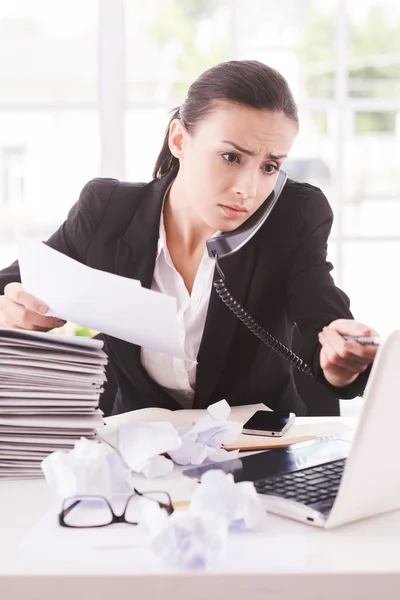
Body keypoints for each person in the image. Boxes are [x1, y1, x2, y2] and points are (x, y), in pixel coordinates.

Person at [0, 60, 379, 416]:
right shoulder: (107, 209)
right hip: (139, 450)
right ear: (180, 140)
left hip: (257, 448)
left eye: (269, 167)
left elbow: (323, 323)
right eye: (231, 157)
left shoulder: (292, 215)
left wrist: (342, 362)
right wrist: (11, 306)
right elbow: (13, 283)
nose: (247, 189)